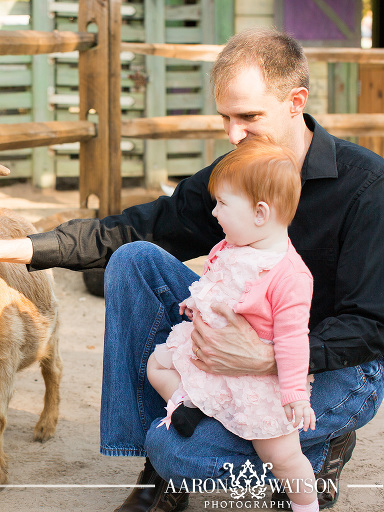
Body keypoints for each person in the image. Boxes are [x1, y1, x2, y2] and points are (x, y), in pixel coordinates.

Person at [0, 28, 384, 511]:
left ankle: (316, 454)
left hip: (334, 366)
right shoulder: (236, 173)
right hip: (239, 350)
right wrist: (14, 249)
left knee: (189, 453)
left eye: (248, 117)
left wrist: (269, 358)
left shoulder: (367, 185)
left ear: (295, 101)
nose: (233, 134)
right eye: (225, 118)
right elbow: (138, 229)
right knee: (134, 262)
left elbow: (372, 325)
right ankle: (157, 476)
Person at [146, 137, 318, 512]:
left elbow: (292, 340)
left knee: (280, 455)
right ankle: (189, 402)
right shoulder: (230, 245)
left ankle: (306, 504)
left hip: (256, 378)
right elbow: (215, 280)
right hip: (212, 356)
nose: (215, 213)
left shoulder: (288, 275)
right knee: (156, 364)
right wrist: (197, 300)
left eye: (222, 204)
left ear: (260, 212)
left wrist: (294, 394)